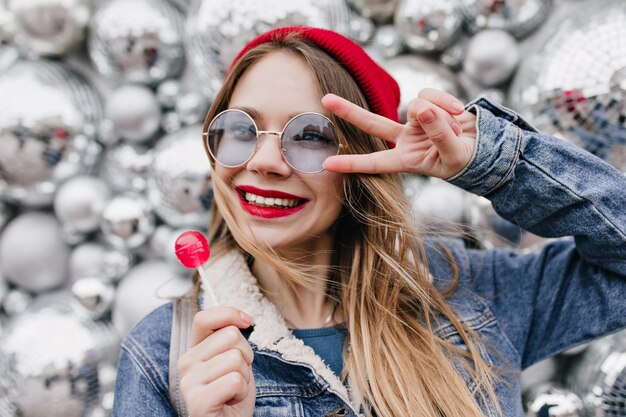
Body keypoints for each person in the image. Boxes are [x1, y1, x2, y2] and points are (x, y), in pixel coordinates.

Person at [112, 26, 626, 417]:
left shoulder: (478, 295)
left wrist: (490, 161)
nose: (264, 162)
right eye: (239, 129)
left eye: (309, 135)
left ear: (364, 166)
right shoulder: (164, 356)